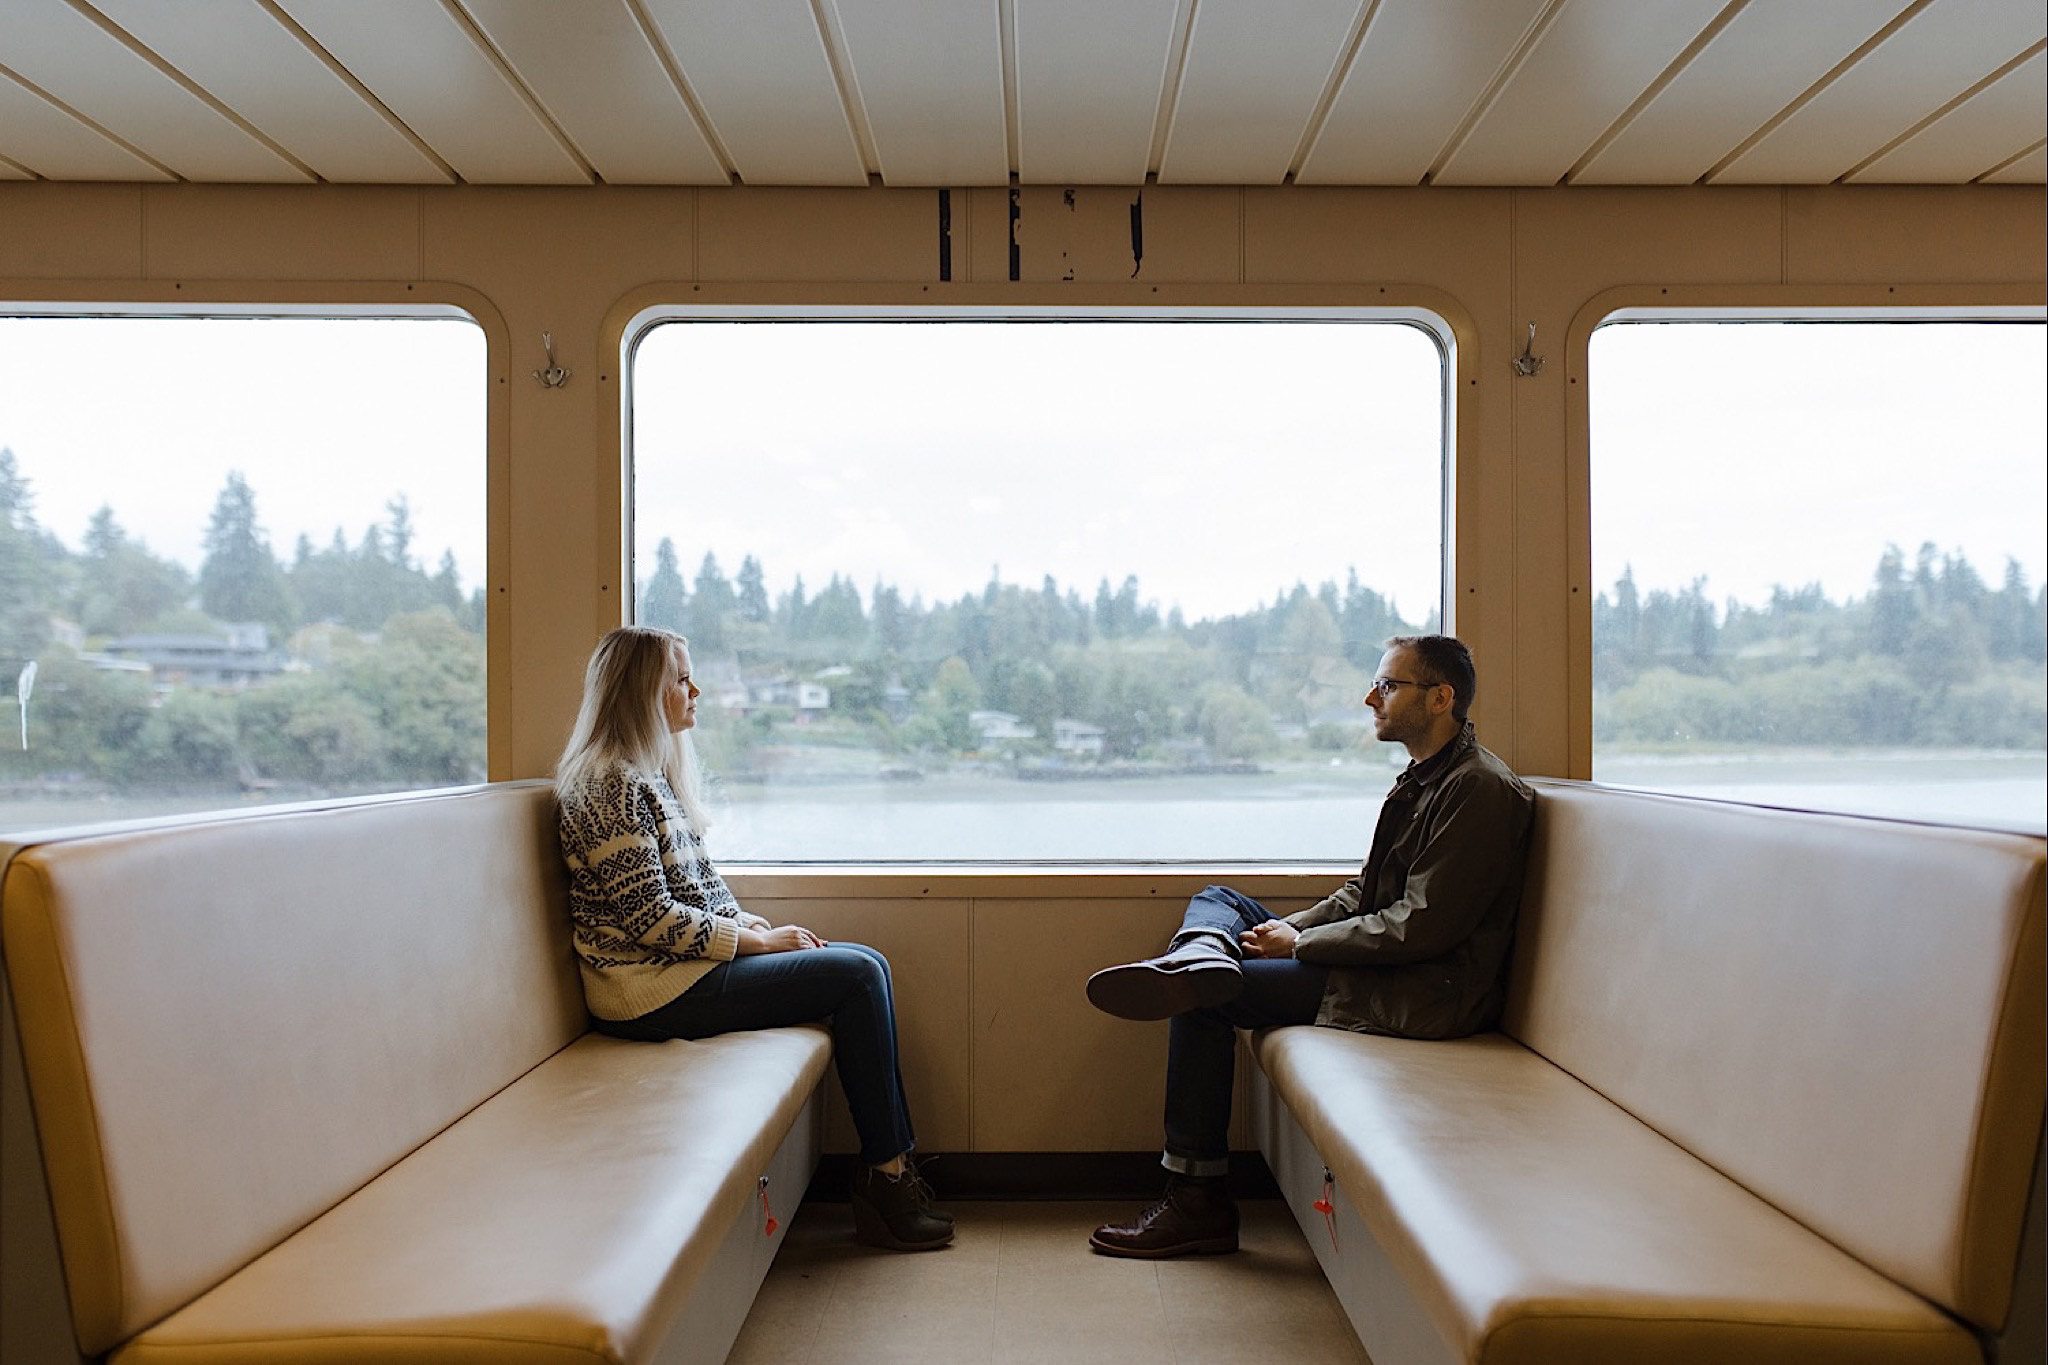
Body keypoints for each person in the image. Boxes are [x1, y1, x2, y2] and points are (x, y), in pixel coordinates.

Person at [1083, 634, 1535, 1258]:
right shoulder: (1427, 777)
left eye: (1389, 685)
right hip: (1389, 967)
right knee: (1221, 897)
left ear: (1441, 697)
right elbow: (1366, 893)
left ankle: (1197, 1203)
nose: (1369, 697)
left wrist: (1305, 943)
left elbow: (1419, 927)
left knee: (1204, 999)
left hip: (1427, 991)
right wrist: (1292, 931)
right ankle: (1204, 952)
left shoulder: (1478, 789)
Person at [555, 625, 951, 1252]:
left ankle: (891, 1175)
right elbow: (648, 919)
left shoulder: (648, 778)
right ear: (642, 693)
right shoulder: (610, 787)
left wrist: (753, 928)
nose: (697, 690)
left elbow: (699, 891)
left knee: (865, 962)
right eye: (681, 679)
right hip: (647, 993)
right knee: (856, 975)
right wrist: (759, 946)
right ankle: (887, 1179)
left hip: (679, 974)